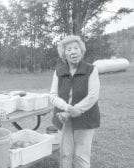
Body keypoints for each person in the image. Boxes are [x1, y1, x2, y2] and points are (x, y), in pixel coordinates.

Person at [49, 35, 100, 168]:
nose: (73, 52)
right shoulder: (59, 71)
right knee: (65, 154)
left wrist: (73, 110)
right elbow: (53, 96)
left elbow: (93, 96)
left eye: (76, 48)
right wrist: (67, 109)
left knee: (81, 156)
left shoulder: (91, 69)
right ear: (64, 55)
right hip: (63, 117)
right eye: (69, 49)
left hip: (85, 117)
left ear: (81, 51)